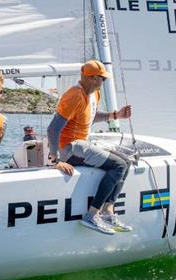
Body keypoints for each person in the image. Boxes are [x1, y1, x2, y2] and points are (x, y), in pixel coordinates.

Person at [47, 60, 133, 235]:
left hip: (83, 145)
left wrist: (116, 115)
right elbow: (53, 128)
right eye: (103, 79)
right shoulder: (74, 96)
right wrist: (55, 159)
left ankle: (108, 211)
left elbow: (89, 117)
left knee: (127, 162)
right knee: (119, 165)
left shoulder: (94, 94)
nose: (104, 82)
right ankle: (92, 215)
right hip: (70, 148)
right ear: (93, 78)